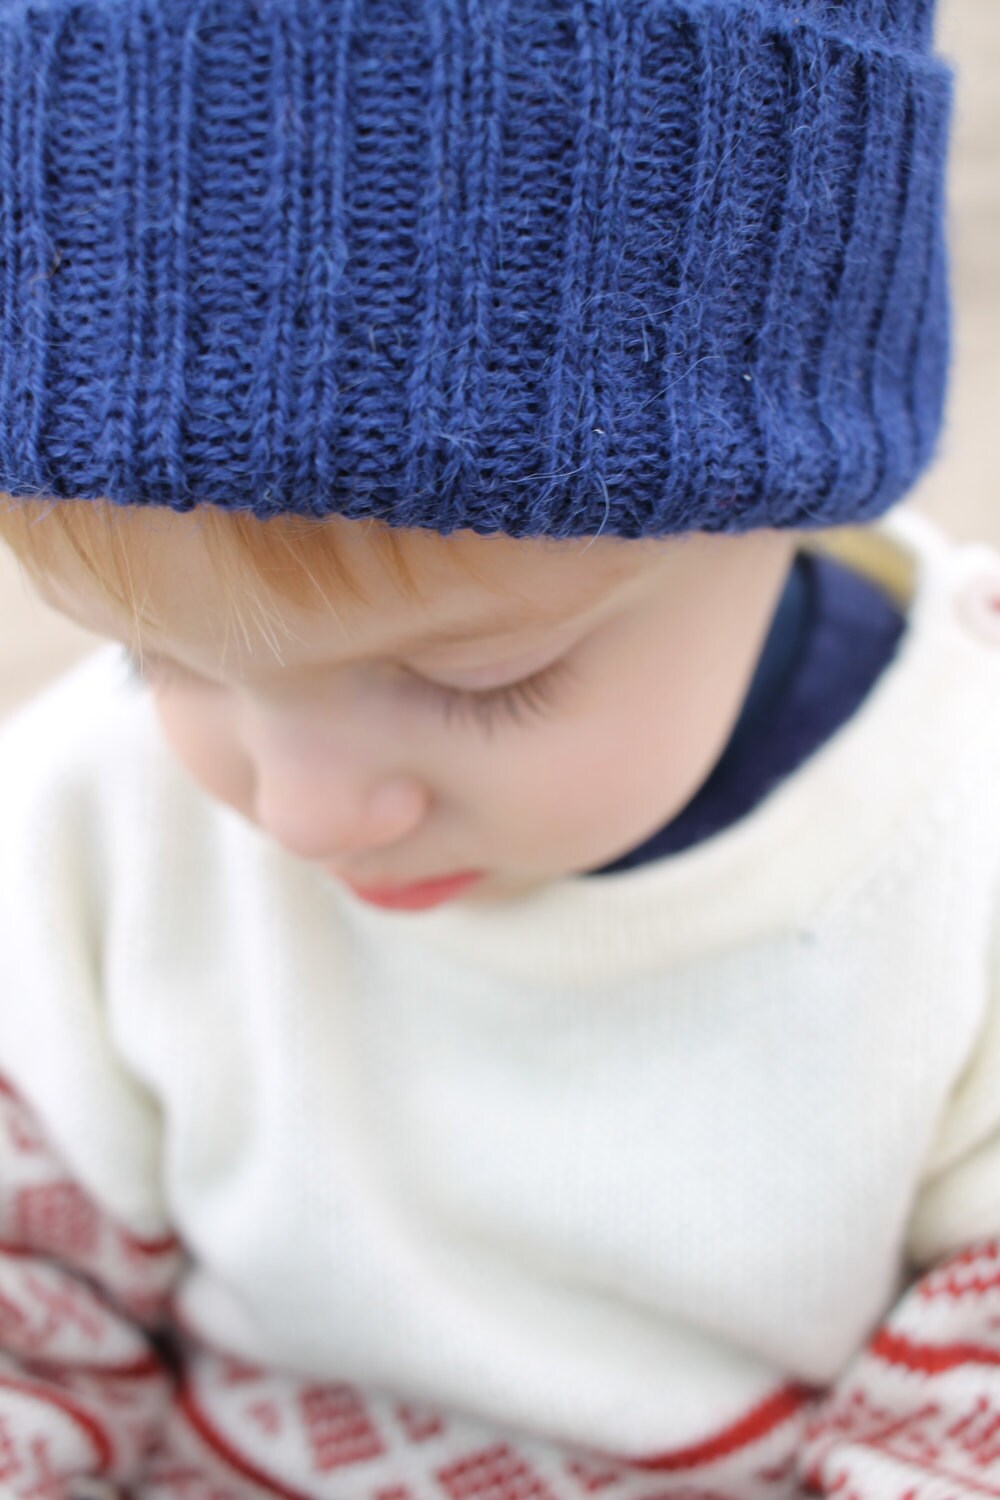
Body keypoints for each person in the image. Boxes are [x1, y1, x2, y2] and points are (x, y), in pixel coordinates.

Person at [0, 0, 998, 1495]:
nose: (306, 809)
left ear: (791, 494)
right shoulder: (92, 827)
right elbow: (30, 1308)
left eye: (477, 682)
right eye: (162, 662)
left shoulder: (949, 853)